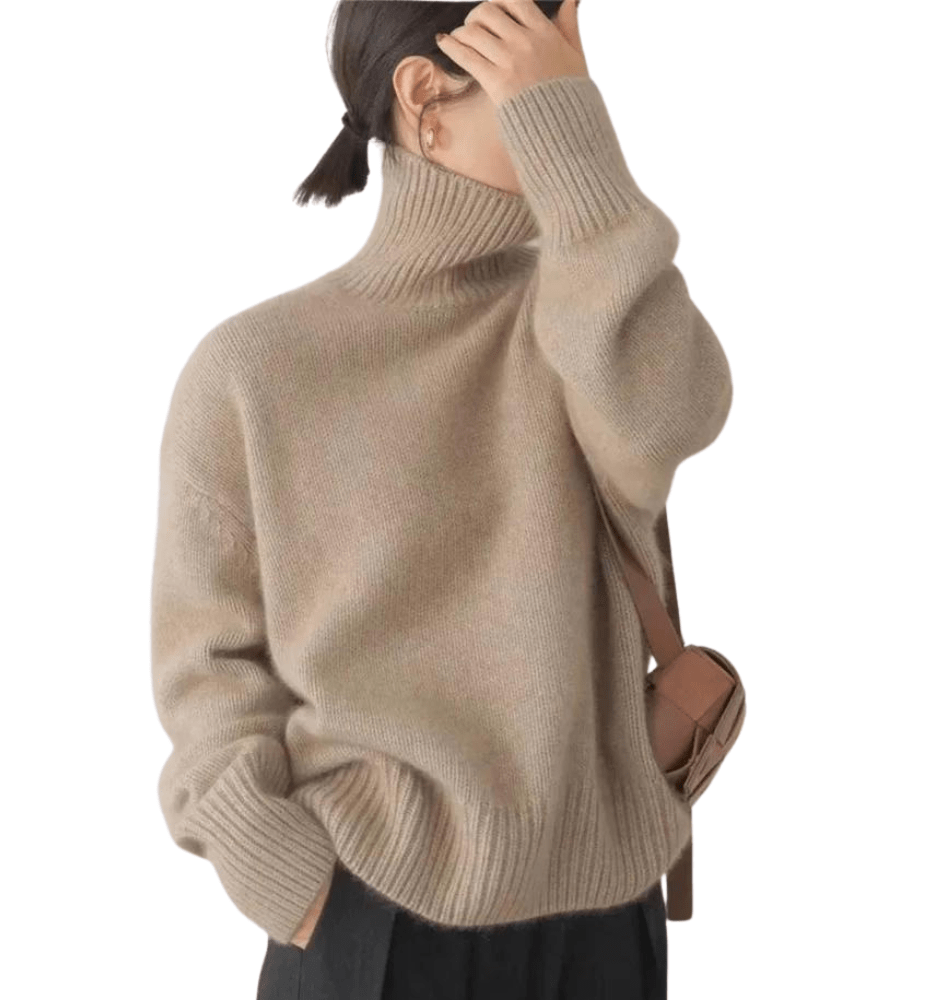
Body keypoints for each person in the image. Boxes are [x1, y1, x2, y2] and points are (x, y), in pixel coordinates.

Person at [150, 2, 733, 997]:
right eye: (535, 64)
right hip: (370, 921)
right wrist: (292, 882)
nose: (572, 94)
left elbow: (675, 413)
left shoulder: (587, 320)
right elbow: (206, 669)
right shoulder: (254, 369)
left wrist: (580, 163)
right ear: (424, 97)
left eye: (575, 67)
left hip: (603, 921)